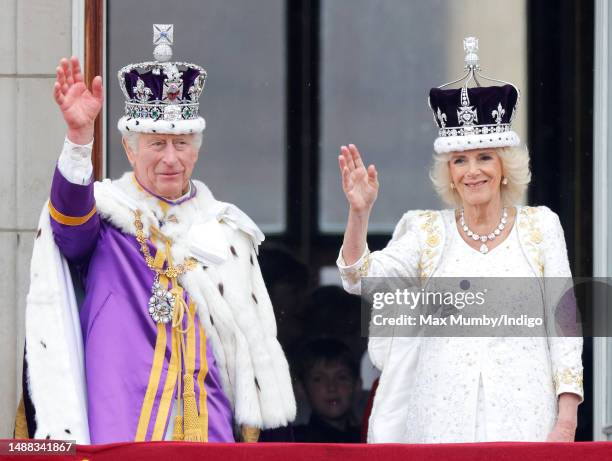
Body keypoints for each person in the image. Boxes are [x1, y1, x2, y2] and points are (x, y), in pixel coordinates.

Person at [17, 25, 295, 444]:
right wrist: (78, 140)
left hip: (208, 426)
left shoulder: (225, 231)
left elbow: (247, 354)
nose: (170, 158)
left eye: (181, 143)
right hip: (123, 424)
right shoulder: (108, 218)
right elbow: (69, 224)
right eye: (156, 143)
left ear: (197, 149)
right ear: (130, 149)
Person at [336, 39, 583, 443]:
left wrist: (566, 421)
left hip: (525, 419)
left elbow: (566, 329)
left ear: (505, 166)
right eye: (460, 160)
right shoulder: (426, 232)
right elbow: (359, 278)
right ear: (449, 172)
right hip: (439, 421)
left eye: (484, 157)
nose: (473, 171)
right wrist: (359, 213)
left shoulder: (541, 229)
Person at [292, 338, 362, 443]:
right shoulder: (292, 441)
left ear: (357, 384)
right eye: (318, 379)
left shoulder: (368, 439)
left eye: (341, 377)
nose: (332, 387)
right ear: (301, 388)